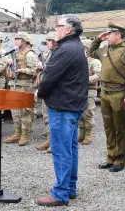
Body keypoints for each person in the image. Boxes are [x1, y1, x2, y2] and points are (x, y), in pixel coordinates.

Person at [36, 14, 89, 206]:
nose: (55, 29)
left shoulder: (65, 49)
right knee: (71, 148)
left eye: (58, 26)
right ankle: (70, 188)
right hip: (72, 104)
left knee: (61, 150)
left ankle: (60, 194)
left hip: (63, 106)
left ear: (68, 30)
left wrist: (40, 93)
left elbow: (49, 77)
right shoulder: (76, 46)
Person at [88, 22, 125, 172]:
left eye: (109, 33)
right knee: (109, 128)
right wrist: (98, 39)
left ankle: (120, 159)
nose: (107, 36)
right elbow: (91, 52)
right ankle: (110, 157)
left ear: (118, 35)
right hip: (105, 93)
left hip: (119, 94)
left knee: (119, 128)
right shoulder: (105, 49)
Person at [4, 32, 38, 146]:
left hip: (25, 85)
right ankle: (17, 133)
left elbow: (34, 71)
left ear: (24, 41)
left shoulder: (30, 54)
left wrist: (22, 71)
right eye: (15, 39)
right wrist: (9, 64)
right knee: (14, 111)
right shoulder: (14, 53)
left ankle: (24, 134)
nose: (16, 41)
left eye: (18, 39)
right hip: (14, 84)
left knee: (25, 110)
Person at [35, 32, 58, 152]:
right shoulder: (47, 53)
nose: (47, 43)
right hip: (46, 87)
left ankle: (54, 142)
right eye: (47, 41)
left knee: (54, 117)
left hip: (54, 89)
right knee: (46, 116)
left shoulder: (59, 54)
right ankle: (49, 140)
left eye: (50, 41)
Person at [80, 38, 102, 145]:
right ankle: (81, 132)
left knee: (88, 112)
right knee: (79, 112)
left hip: (89, 90)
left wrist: (86, 80)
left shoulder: (94, 61)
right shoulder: (78, 60)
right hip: (78, 90)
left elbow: (98, 75)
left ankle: (88, 134)